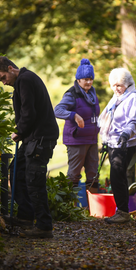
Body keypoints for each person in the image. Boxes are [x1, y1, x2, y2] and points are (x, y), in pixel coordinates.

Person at [0, 56, 59, 239]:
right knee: (17, 172)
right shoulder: (21, 82)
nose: (4, 82)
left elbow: (29, 111)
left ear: (11, 68)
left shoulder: (25, 80)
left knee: (34, 180)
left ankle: (44, 226)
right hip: (31, 138)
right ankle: (25, 217)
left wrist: (19, 130)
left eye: (4, 77)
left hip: (41, 138)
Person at [98, 68, 136, 224]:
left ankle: (123, 212)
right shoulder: (117, 98)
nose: (116, 88)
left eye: (119, 85)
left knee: (117, 175)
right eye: (113, 85)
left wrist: (125, 135)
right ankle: (122, 211)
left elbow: (133, 121)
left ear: (127, 83)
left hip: (125, 142)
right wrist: (106, 140)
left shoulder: (133, 99)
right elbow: (109, 120)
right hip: (113, 142)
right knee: (118, 176)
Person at [54, 58, 100, 193]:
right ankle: (71, 208)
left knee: (93, 174)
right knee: (74, 175)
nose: (89, 82)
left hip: (92, 139)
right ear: (78, 80)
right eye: (85, 79)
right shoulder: (71, 94)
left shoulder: (92, 93)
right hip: (77, 140)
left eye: (91, 79)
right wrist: (74, 115)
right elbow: (57, 110)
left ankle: (93, 209)